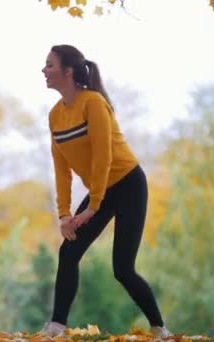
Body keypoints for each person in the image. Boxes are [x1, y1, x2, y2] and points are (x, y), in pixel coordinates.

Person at [39, 44, 171, 338]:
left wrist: (93, 206)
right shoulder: (55, 116)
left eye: (49, 64)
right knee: (69, 251)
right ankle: (57, 327)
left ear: (68, 71)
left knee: (122, 269)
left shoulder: (94, 103)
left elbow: (103, 157)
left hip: (128, 184)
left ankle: (160, 328)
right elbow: (61, 168)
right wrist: (63, 215)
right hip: (101, 192)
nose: (44, 70)